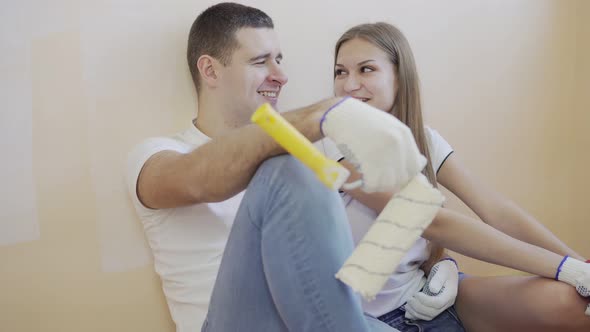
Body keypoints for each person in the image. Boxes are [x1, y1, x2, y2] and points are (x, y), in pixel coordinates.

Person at [127, 3, 432, 332]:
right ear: (211, 71)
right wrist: (325, 114)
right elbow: (199, 182)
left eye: (279, 60)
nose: (281, 76)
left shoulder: (311, 162)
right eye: (261, 62)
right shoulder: (156, 154)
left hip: (314, 319)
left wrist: (436, 265)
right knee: (286, 166)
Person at [327, 21, 590, 332]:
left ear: (400, 77)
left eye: (366, 69)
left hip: (423, 298)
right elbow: (430, 220)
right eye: (340, 72)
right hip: (369, 319)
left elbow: (497, 210)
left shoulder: (423, 140)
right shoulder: (332, 146)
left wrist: (581, 266)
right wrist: (565, 269)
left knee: (576, 303)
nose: (349, 84)